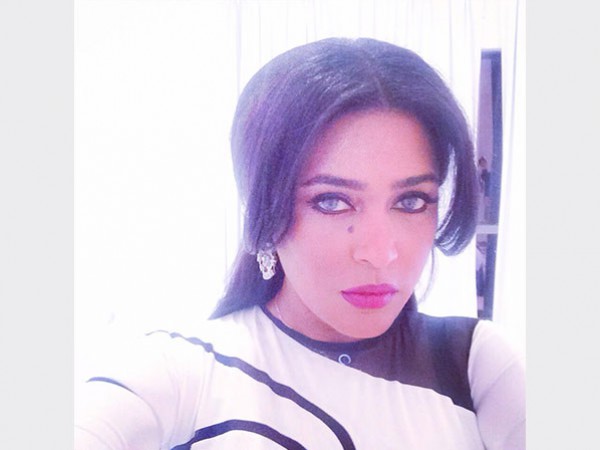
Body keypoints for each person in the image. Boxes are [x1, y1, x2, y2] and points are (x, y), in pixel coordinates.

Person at [75, 37, 525, 449]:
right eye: (332, 202)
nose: (380, 253)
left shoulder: (476, 365)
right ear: (266, 209)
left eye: (411, 201)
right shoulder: (181, 371)